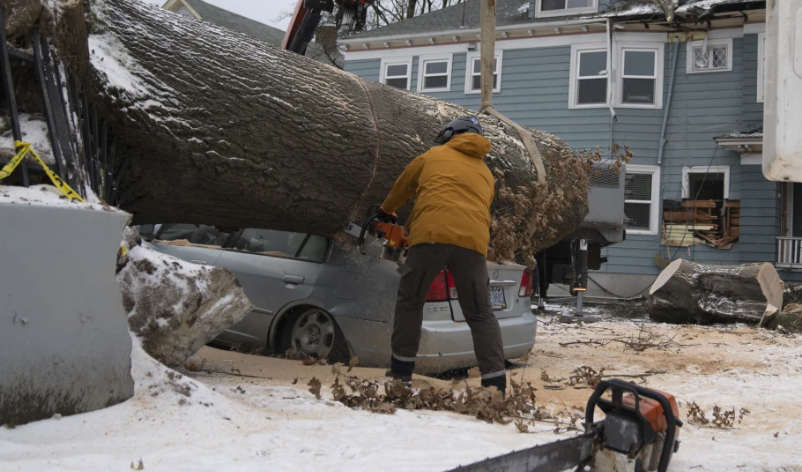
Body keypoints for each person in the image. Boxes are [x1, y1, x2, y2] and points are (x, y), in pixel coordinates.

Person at [378, 116, 507, 395]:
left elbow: (403, 187)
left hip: (431, 238)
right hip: (472, 246)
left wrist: (386, 210)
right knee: (481, 314)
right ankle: (495, 384)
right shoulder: (486, 173)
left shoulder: (431, 156)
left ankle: (401, 374)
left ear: (449, 135)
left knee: (411, 301)